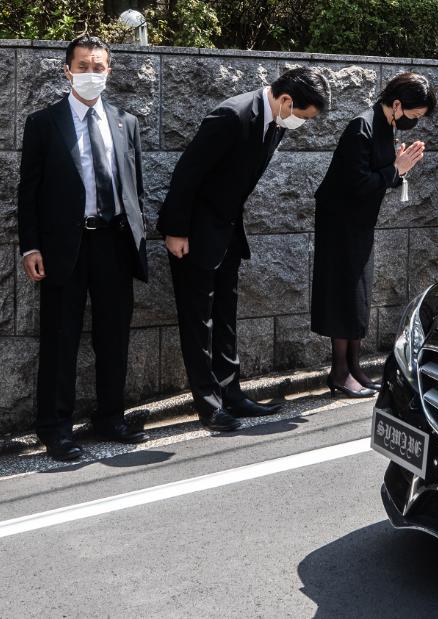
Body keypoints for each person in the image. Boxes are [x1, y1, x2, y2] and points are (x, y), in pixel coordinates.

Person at [158, 68, 330, 432]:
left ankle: (231, 392)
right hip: (195, 233)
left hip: (228, 232)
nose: (300, 123)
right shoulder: (233, 115)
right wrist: (175, 231)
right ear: (286, 101)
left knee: (225, 317)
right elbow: (188, 172)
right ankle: (208, 406)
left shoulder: (275, 121)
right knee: (197, 320)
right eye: (302, 115)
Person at [17, 35, 150, 461]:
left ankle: (111, 416)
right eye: (83, 66)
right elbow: (28, 192)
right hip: (63, 247)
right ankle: (55, 428)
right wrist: (30, 246)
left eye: (99, 67)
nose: (91, 74)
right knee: (60, 338)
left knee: (114, 335)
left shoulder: (125, 121)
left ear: (108, 71)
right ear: (67, 70)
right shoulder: (44, 123)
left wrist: (139, 235)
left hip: (113, 242)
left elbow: (136, 186)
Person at [311, 73, 432, 397]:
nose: (413, 123)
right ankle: (339, 372)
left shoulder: (384, 124)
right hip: (340, 224)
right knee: (344, 295)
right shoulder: (361, 127)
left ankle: (354, 367)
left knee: (359, 295)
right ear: (396, 104)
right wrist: (396, 169)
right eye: (413, 116)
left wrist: (396, 167)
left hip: (359, 223)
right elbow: (357, 183)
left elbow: (377, 175)